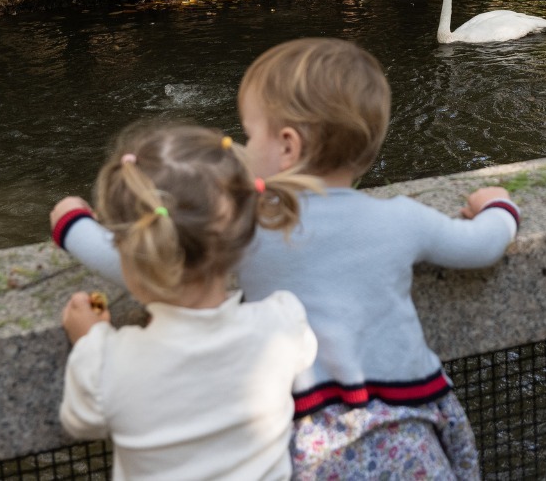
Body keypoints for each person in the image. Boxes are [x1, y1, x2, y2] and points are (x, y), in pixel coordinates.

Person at [52, 38, 520, 480]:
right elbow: (480, 246)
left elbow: (159, 259)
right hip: (410, 434)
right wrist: (499, 205)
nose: (243, 145)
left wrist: (74, 227)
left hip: (315, 444)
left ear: (288, 146)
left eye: (250, 133)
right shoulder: (402, 219)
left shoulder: (255, 225)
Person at [57, 123, 320, 481]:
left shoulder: (107, 365)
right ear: (244, 239)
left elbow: (79, 420)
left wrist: (90, 341)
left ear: (127, 257)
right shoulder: (282, 324)